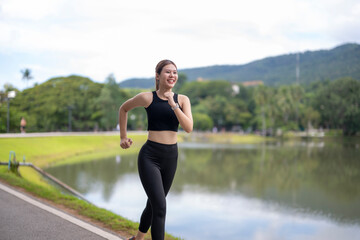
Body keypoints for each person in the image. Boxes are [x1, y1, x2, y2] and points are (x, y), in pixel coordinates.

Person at [119, 60, 193, 240]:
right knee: (160, 206)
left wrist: (173, 104)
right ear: (158, 76)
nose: (172, 75)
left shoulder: (182, 100)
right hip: (150, 156)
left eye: (174, 72)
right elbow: (124, 108)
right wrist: (123, 137)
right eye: (168, 72)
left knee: (153, 205)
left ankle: (137, 238)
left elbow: (189, 127)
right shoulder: (147, 98)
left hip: (170, 157)